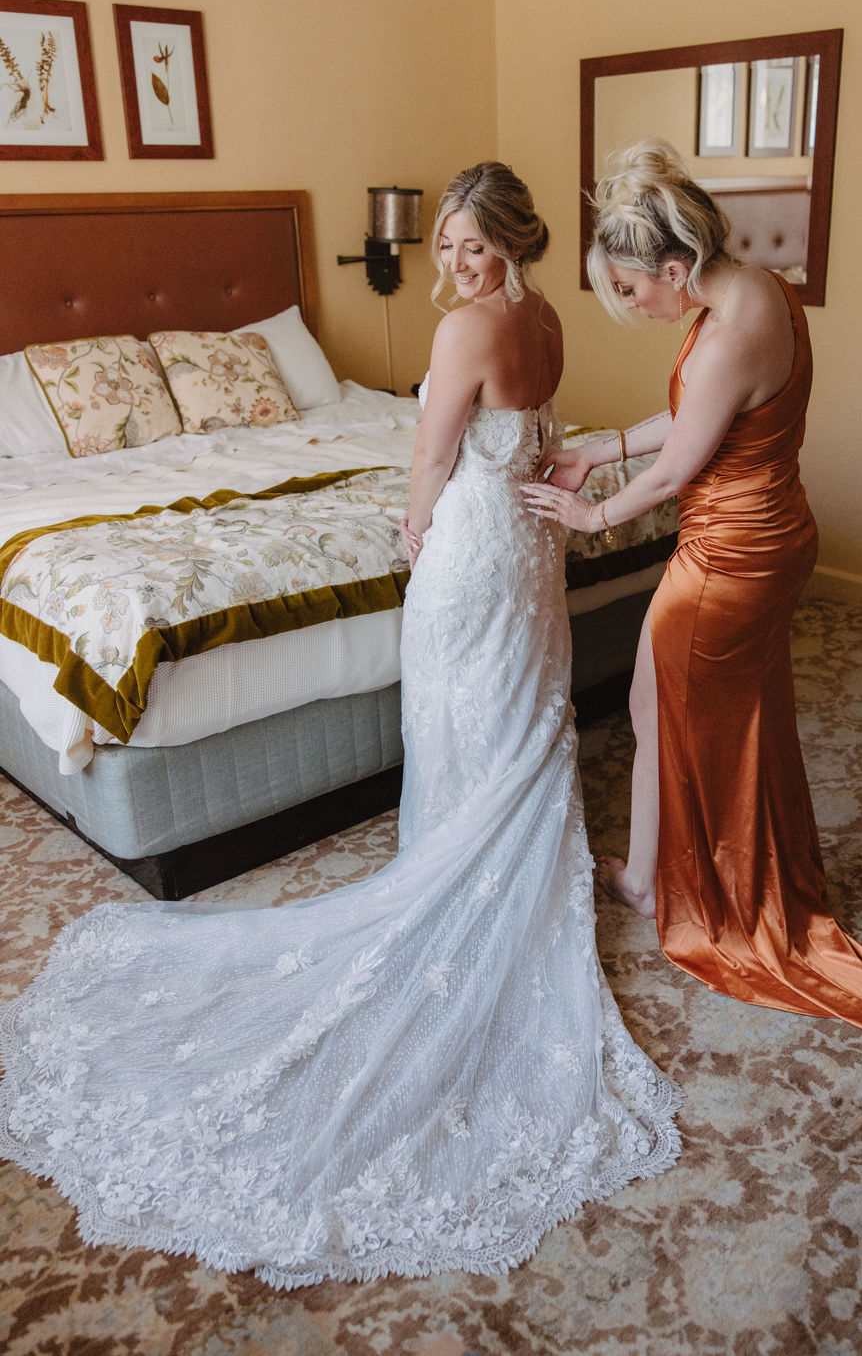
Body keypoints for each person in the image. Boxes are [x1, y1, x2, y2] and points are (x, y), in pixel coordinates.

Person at [0, 162, 682, 1289]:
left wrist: (414, 527)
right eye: (446, 251)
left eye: (470, 247)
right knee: (518, 703)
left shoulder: (468, 329)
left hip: (469, 540)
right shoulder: (544, 315)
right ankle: (493, 861)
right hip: (531, 544)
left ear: (508, 240)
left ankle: (446, 872)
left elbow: (429, 449)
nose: (454, 268)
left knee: (465, 703)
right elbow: (534, 426)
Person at [524, 139, 862, 1035]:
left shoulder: (725, 331)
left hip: (727, 559)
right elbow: (700, 414)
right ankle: (644, 872)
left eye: (632, 288)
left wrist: (593, 518)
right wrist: (600, 447)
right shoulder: (758, 289)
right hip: (773, 532)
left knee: (686, 715)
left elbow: (677, 470)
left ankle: (703, 890)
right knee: (655, 703)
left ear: (677, 265)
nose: (633, 305)